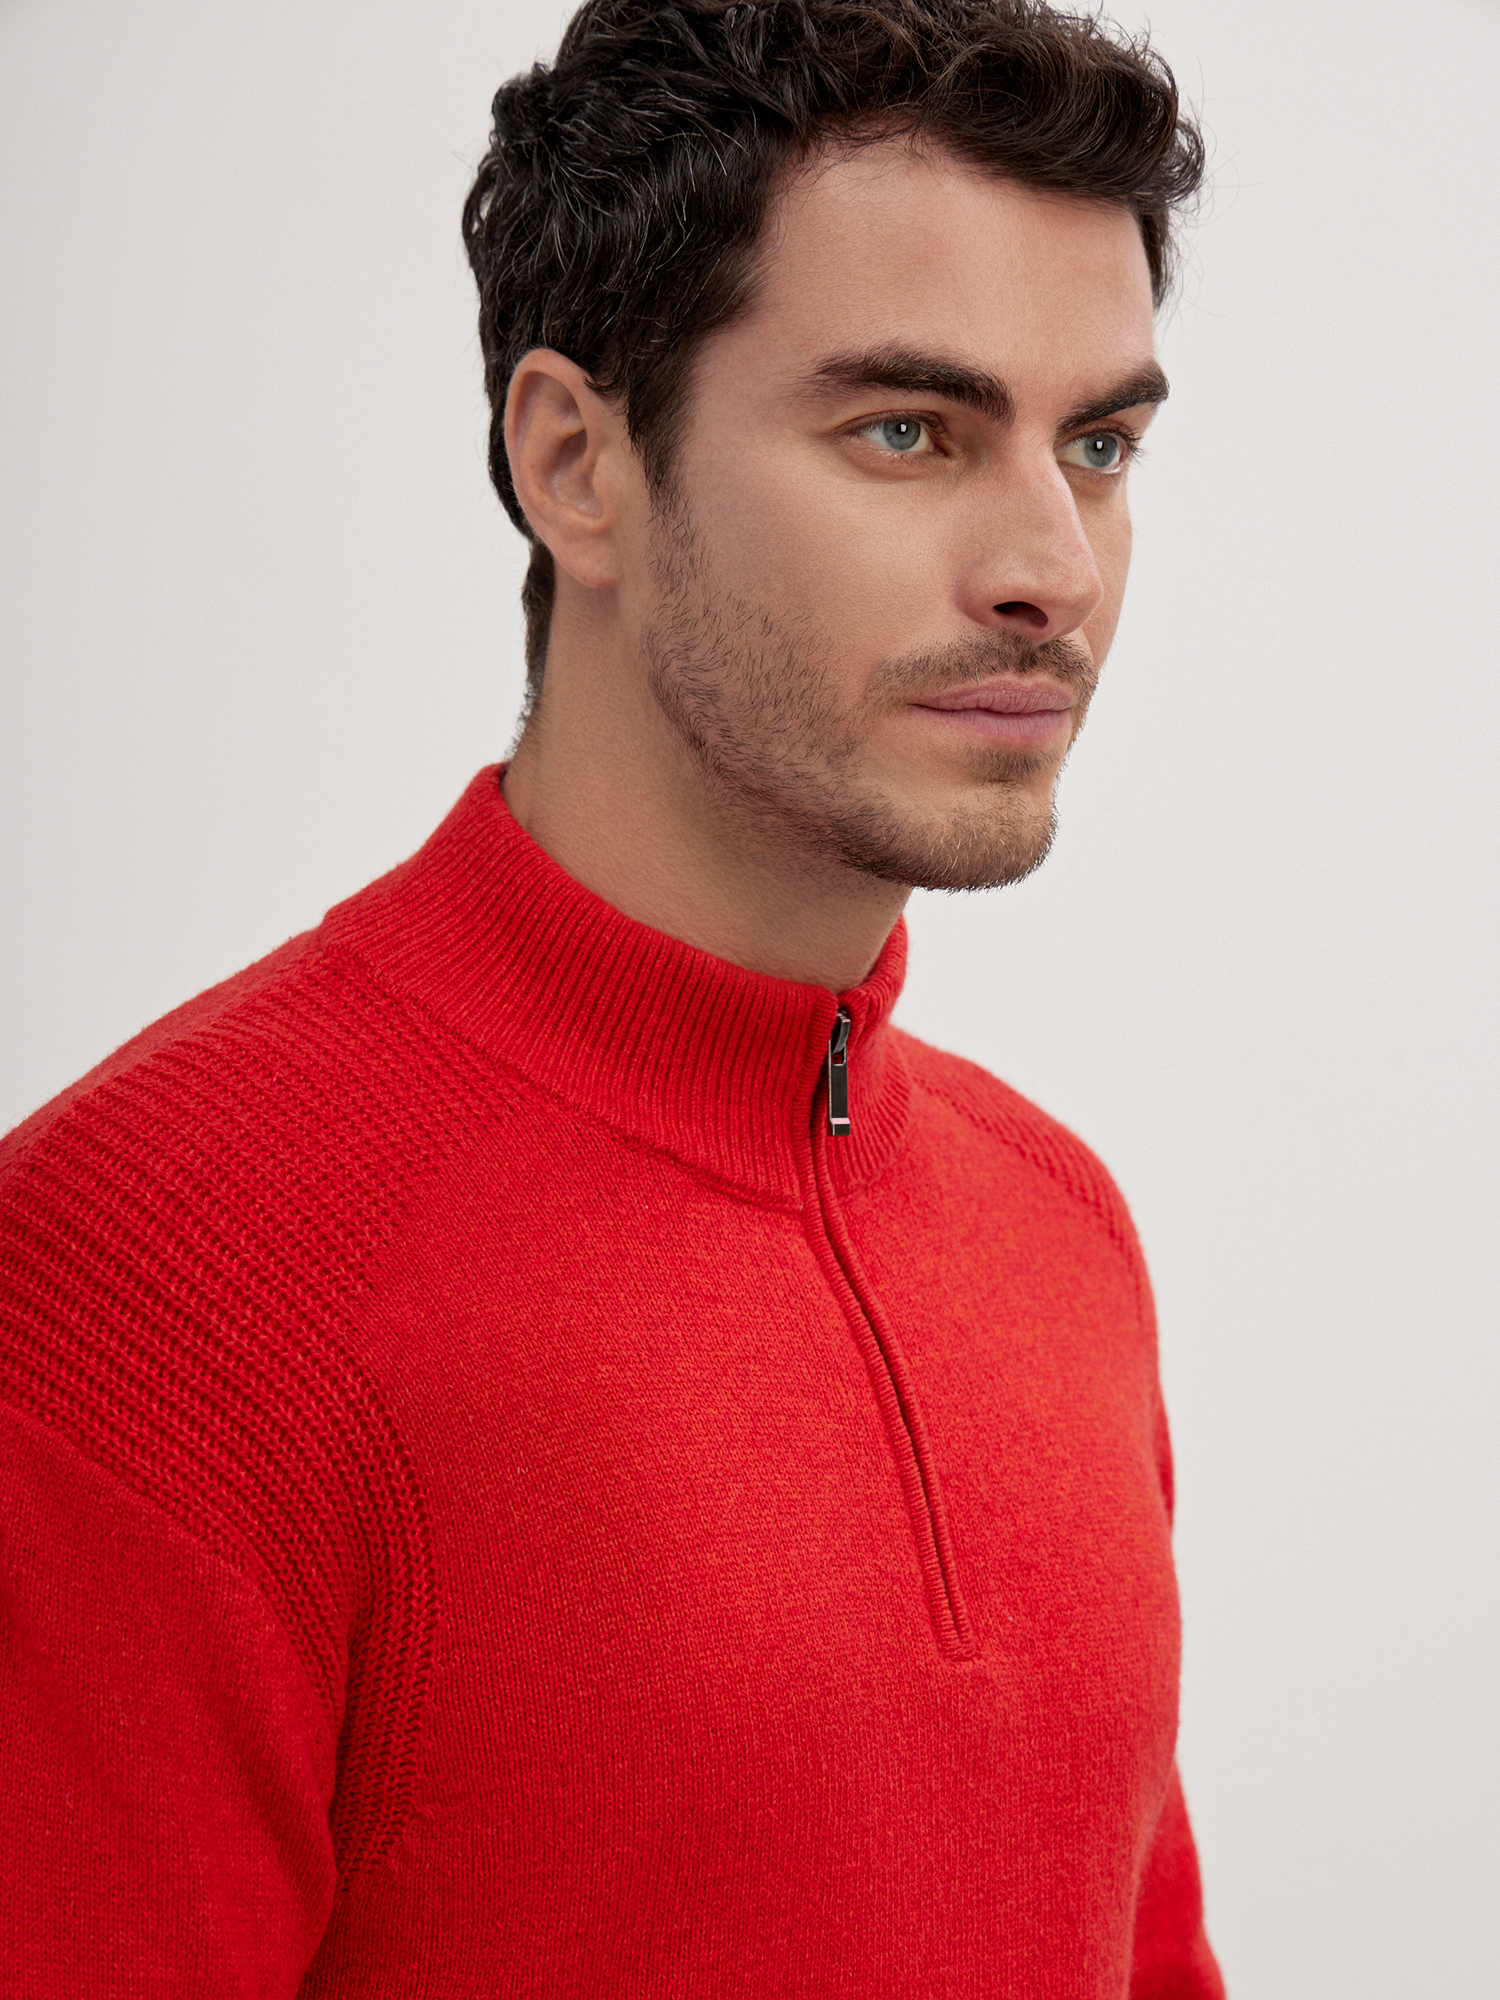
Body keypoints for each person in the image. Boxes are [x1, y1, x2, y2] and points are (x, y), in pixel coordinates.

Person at [0, 0, 1222, 1992]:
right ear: (576, 462)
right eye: (907, 431)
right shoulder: (144, 1289)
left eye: (1097, 445)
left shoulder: (1060, 1232)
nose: (1051, 568)